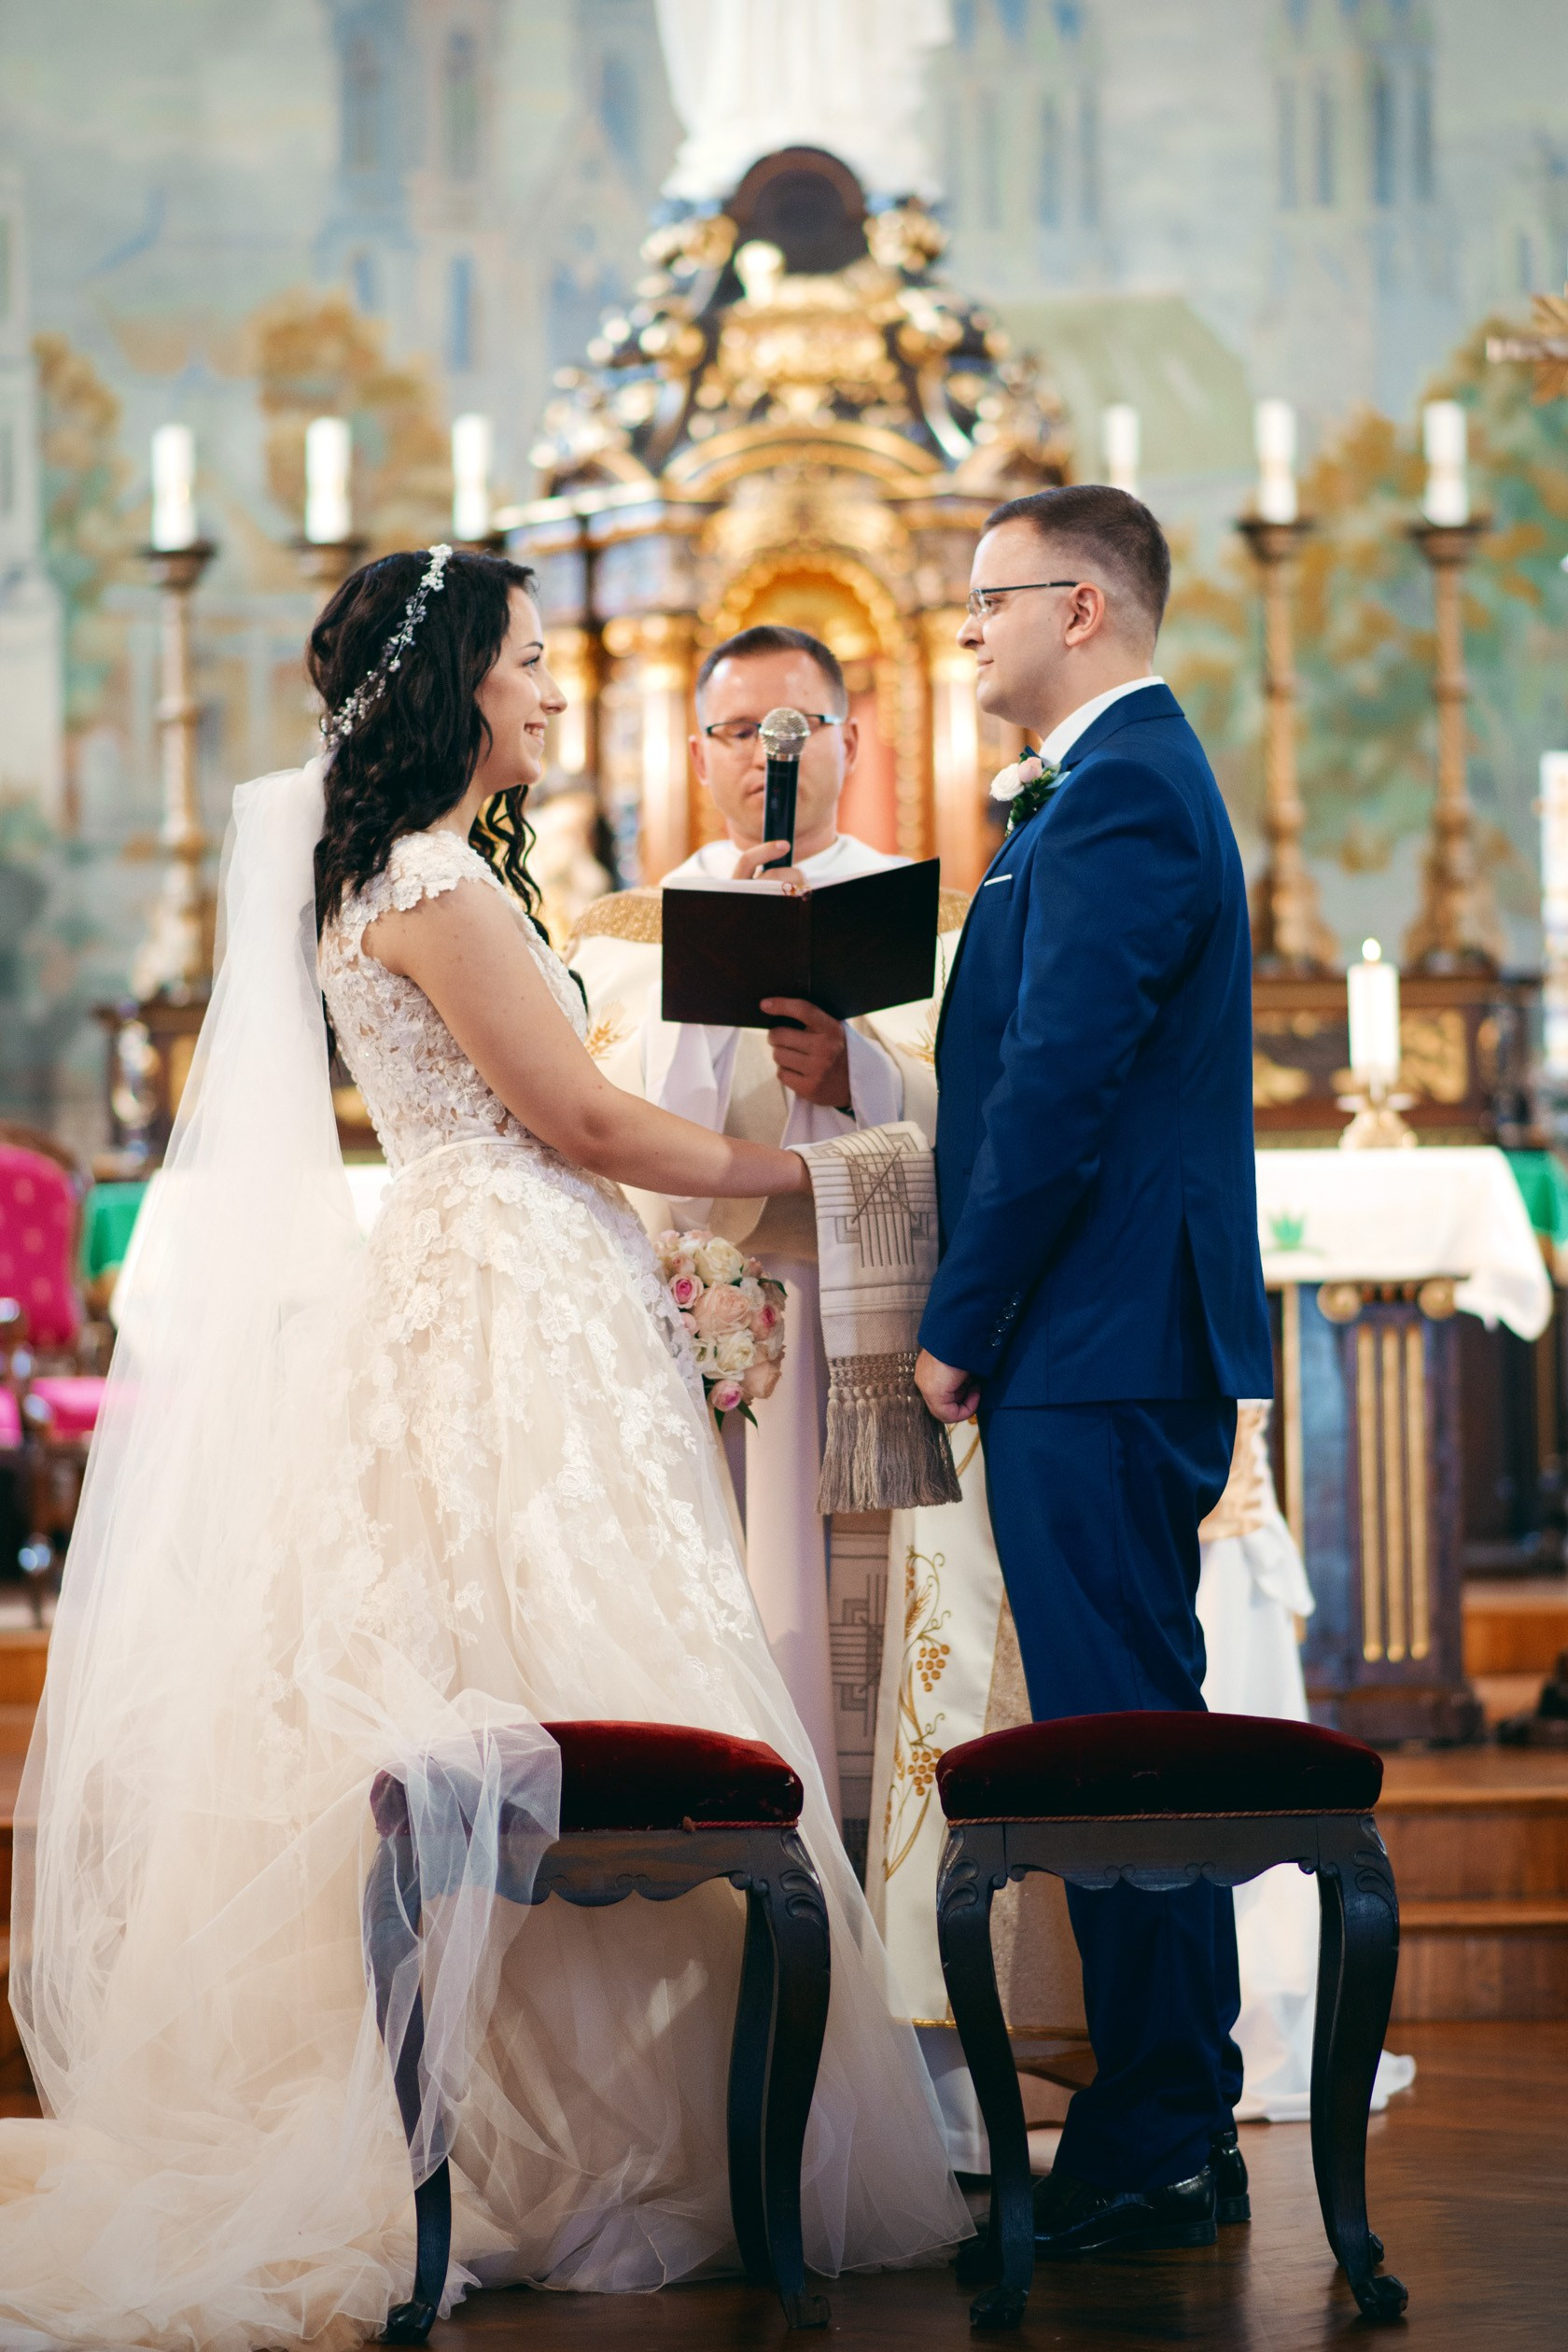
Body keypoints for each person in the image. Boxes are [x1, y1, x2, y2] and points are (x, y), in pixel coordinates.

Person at [0, 548, 968, 2345]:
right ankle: (556, 2135)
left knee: (533, 1663)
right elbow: (585, 1118)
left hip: (500, 1278)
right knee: (559, 1656)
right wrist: (822, 1173)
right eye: (526, 660)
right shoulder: (435, 883)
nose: (551, 687)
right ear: (455, 684)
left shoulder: (400, 871)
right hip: (508, 1295)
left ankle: (543, 2120)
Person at [915, 485, 1274, 2256]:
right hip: (1101, 1330)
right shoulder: (1107, 781)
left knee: (1125, 1740)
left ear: (1081, 608)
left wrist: (959, 1323)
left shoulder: (1122, 786)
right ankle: (1169, 2118)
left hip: (1098, 1334)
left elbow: (1059, 1087)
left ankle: (1162, 2134)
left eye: (988, 599)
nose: (967, 629)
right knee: (1121, 1728)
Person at [572, 624, 961, 1835]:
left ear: (853, 740)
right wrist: (715, 967)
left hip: (868, 1325)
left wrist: (860, 1079)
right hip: (700, 1318)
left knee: (854, 1616)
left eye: (796, 730)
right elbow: (605, 1128)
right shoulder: (622, 933)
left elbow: (981, 1119)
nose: (768, 758)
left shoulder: (937, 925)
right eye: (741, 731)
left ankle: (861, 1858)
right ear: (699, 753)